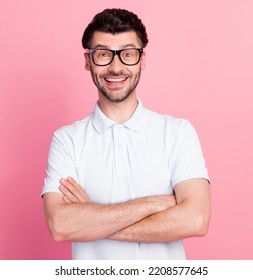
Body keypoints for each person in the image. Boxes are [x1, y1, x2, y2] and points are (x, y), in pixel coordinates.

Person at [41, 8, 211, 260]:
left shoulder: (177, 132)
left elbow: (196, 219)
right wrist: (156, 204)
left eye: (128, 54)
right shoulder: (67, 140)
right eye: (103, 54)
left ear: (142, 60)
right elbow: (61, 225)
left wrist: (92, 218)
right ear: (88, 61)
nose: (116, 67)